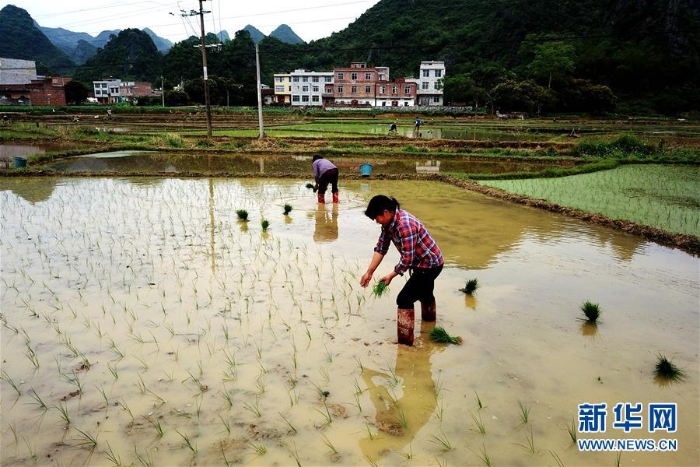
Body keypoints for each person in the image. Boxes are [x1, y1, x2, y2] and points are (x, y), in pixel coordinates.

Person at [360, 195, 444, 346]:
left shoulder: (404, 225)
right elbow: (381, 248)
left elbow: (408, 258)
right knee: (425, 293)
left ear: (386, 212)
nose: (376, 221)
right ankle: (430, 329)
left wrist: (391, 275)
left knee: (404, 299)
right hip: (421, 264)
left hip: (430, 265)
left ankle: (405, 345)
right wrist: (369, 272)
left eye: (376, 217)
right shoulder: (388, 225)